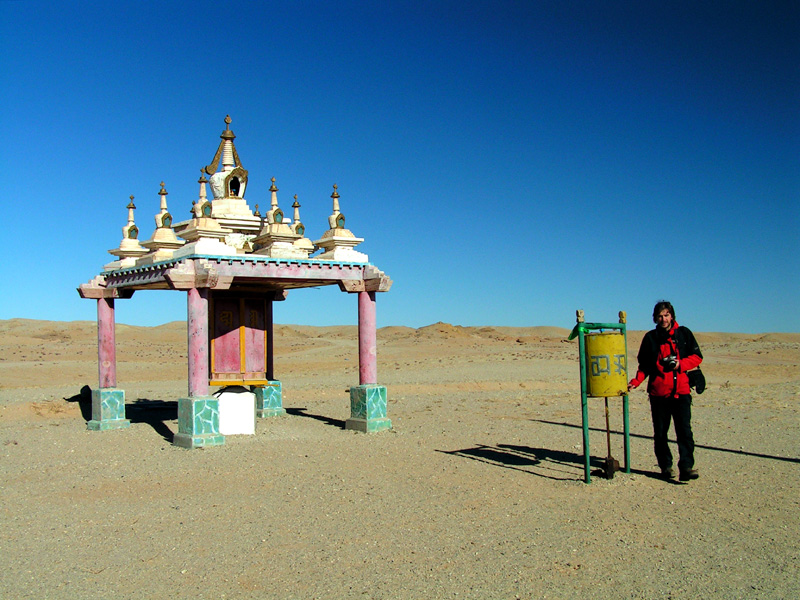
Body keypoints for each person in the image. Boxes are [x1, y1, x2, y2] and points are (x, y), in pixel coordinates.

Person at [628, 301, 703, 482]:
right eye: (660, 316)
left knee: (684, 432)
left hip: (681, 392)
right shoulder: (650, 338)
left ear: (672, 316)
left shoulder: (684, 334)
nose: (664, 319)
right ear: (655, 318)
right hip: (658, 394)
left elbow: (697, 357)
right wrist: (636, 382)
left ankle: (686, 466)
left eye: (667, 315)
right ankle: (666, 467)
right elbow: (644, 365)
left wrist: (680, 364)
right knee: (661, 433)